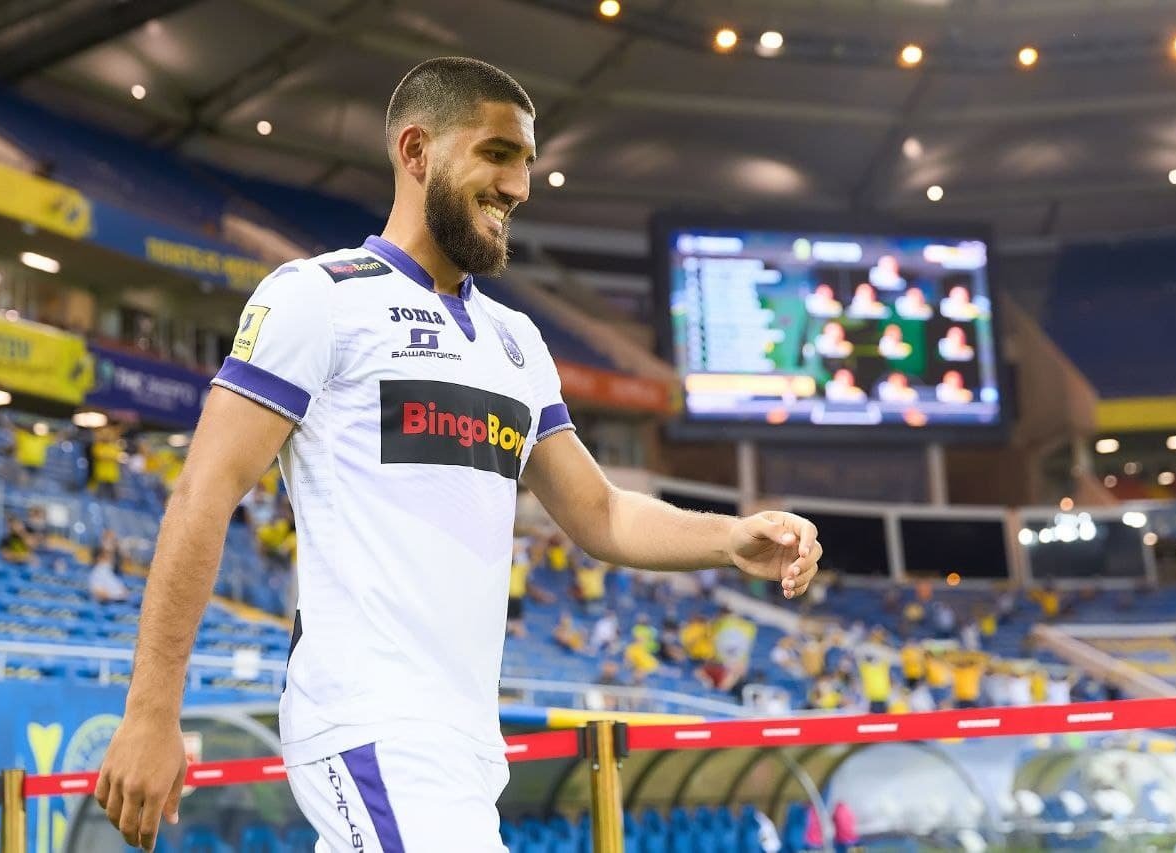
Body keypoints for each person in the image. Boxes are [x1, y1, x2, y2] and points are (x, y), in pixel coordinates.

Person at [95, 57, 823, 853]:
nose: (519, 186)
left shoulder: (519, 341)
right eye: (497, 154)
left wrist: (730, 536)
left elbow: (602, 513)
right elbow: (203, 492)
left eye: (527, 162)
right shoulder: (318, 297)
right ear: (416, 151)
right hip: (371, 724)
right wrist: (151, 712)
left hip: (470, 745)